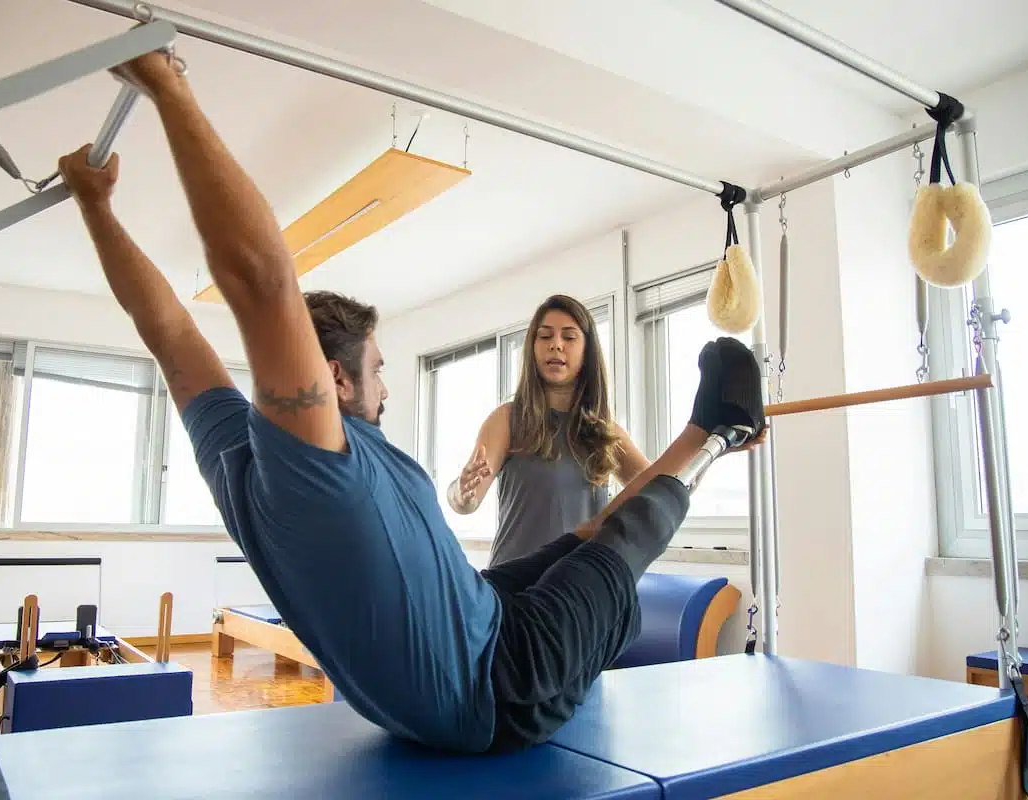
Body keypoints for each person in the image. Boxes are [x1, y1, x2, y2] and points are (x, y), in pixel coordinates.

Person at [58, 49, 766, 755]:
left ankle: (705, 437)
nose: (389, 387)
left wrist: (96, 205)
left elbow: (170, 331)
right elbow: (258, 276)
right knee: (619, 548)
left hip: (483, 616)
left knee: (578, 542)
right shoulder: (310, 461)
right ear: (336, 380)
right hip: (500, 685)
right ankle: (716, 434)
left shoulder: (232, 448)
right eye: (379, 369)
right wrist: (165, 82)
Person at [447, 295, 651, 567]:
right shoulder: (507, 419)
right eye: (545, 337)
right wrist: (461, 492)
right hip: (517, 590)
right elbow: (465, 502)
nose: (556, 344)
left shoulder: (606, 433)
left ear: (586, 351)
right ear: (532, 347)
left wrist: (712, 445)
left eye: (569, 337)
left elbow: (664, 488)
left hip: (577, 589)